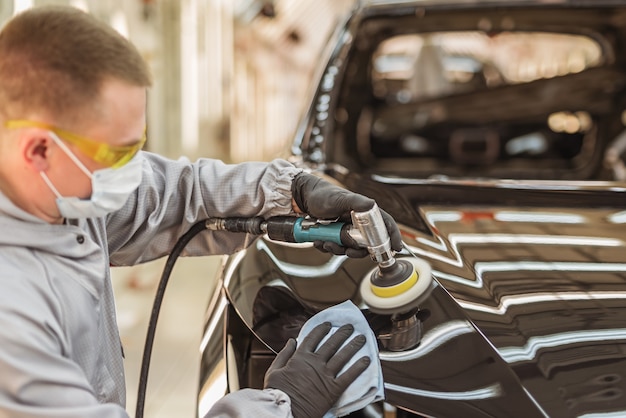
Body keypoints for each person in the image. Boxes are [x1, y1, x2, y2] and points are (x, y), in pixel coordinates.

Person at [0, 5, 403, 418]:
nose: (131, 168)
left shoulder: (60, 194)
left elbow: (176, 194)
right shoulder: (11, 316)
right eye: (117, 153)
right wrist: (282, 407)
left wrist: (294, 191)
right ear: (38, 150)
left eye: (137, 144)